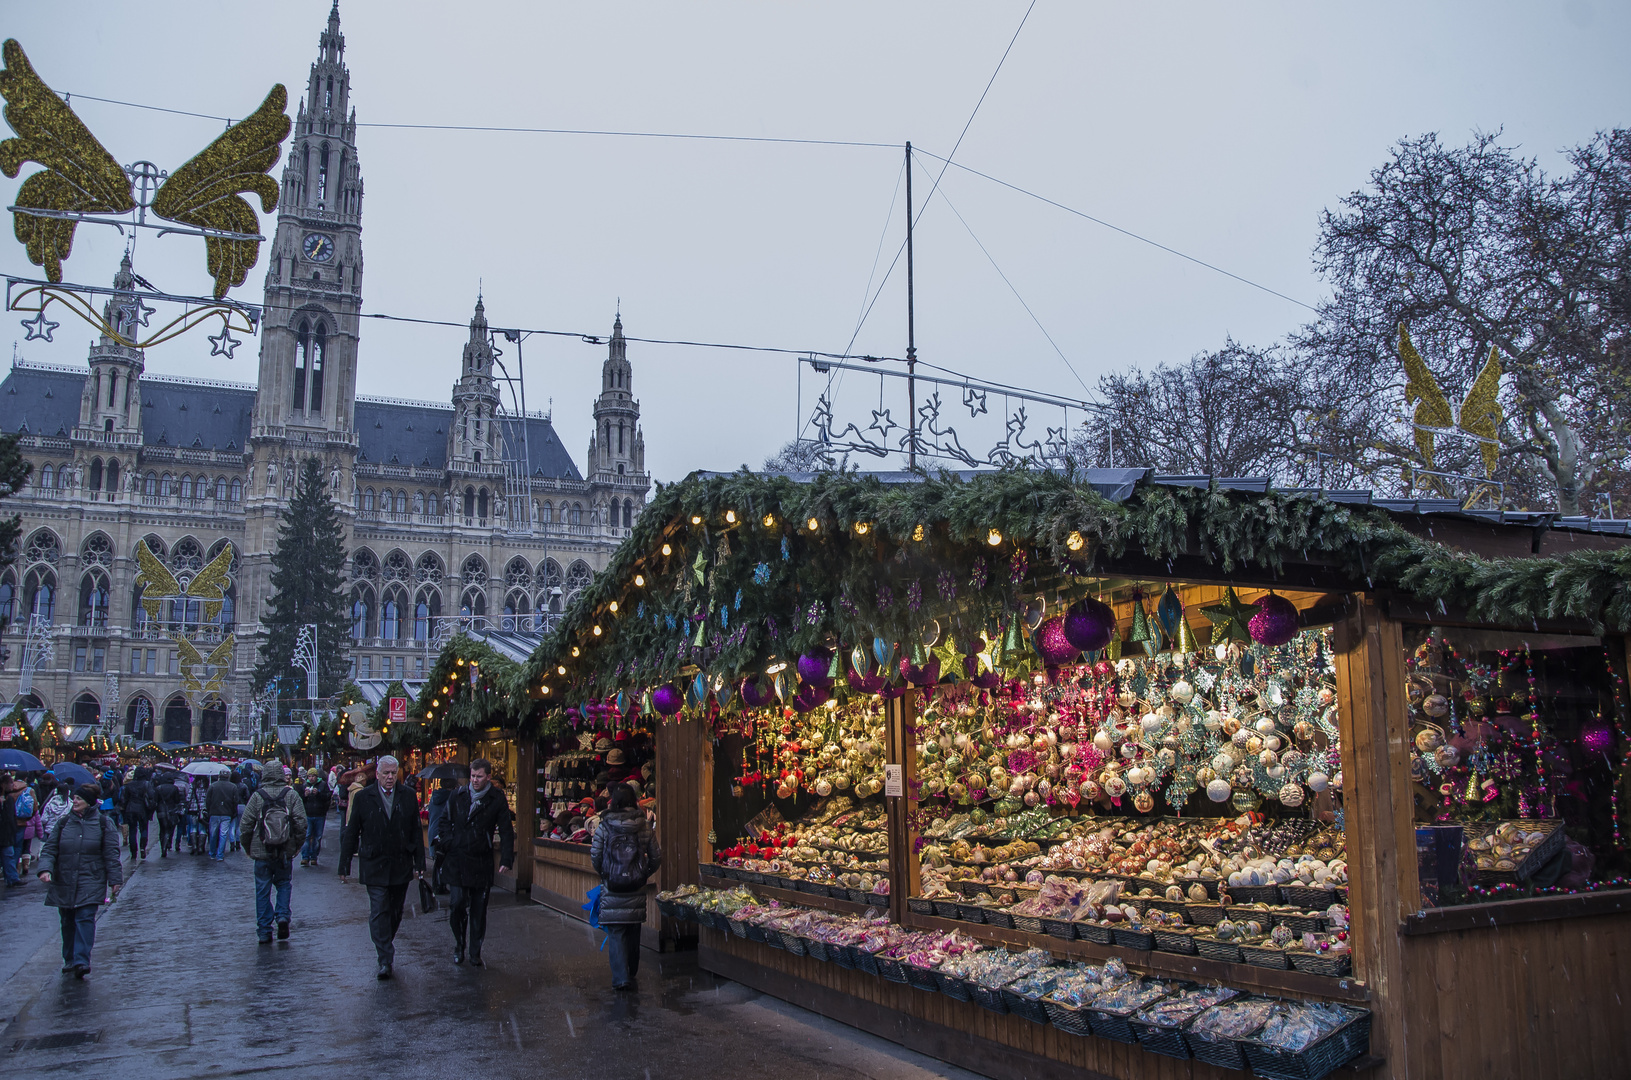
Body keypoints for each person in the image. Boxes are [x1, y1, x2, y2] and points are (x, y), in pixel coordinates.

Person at [338, 755, 424, 979]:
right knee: (378, 911)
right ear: (377, 774)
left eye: (393, 773)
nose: (389, 777)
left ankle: (386, 942)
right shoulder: (364, 797)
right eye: (385, 773)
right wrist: (344, 864)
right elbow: (352, 830)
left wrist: (420, 863)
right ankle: (385, 958)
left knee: (395, 912)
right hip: (374, 863)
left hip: (399, 863)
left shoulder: (407, 796)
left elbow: (415, 830)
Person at [432, 759, 515, 966]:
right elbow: (444, 821)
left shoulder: (496, 798)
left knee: (479, 909)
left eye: (479, 776)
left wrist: (506, 858)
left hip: (480, 858)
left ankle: (475, 951)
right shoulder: (457, 795)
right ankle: (459, 943)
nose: (475, 780)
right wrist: (450, 841)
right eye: (472, 776)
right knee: (457, 904)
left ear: (488, 777)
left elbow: (505, 829)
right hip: (458, 857)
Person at [37, 783, 123, 978]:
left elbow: (111, 853)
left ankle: (81, 960)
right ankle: (69, 958)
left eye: (78, 799)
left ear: (89, 802)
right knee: (67, 920)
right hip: (64, 879)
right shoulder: (63, 823)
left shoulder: (103, 823)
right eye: (74, 798)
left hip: (91, 879)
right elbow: (50, 849)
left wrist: (115, 879)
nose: (74, 801)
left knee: (84, 918)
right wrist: (45, 869)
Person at [589, 782, 661, 991]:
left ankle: (621, 977)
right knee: (633, 927)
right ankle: (631, 970)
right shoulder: (644, 826)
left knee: (616, 931)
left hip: (612, 885)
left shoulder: (604, 826)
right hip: (636, 886)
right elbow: (656, 857)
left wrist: (606, 874)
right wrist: (643, 874)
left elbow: (595, 856)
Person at [240, 763, 307, 944]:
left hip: (262, 852)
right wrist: (296, 846)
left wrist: (248, 847)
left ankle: (264, 930)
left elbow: (245, 825)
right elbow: (301, 823)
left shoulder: (257, 797)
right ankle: (283, 916)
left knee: (262, 890)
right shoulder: (291, 795)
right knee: (284, 884)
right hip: (284, 851)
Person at [426, 777, 456, 894]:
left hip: (433, 830)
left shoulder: (435, 796)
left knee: (438, 861)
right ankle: (440, 885)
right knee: (442, 861)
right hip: (442, 831)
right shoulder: (450, 797)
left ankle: (438, 885)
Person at [120, 766, 156, 860]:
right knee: (144, 829)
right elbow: (151, 796)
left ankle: (133, 852)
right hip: (143, 809)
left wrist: (123, 809)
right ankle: (142, 848)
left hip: (130, 809)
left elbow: (124, 799)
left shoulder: (129, 785)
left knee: (132, 830)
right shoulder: (147, 784)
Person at [297, 769, 331, 866]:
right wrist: (305, 795)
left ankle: (314, 857)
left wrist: (319, 794)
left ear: (317, 777)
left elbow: (328, 797)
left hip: (319, 814)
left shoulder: (323, 785)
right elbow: (300, 800)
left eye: (313, 776)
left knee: (317, 837)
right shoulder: (304, 786)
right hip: (308, 814)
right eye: (309, 776)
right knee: (306, 836)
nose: (311, 778)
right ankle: (305, 857)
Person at [206, 771, 240, 861]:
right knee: (223, 834)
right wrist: (233, 812)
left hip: (214, 812)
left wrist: (209, 810)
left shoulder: (213, 786)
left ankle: (212, 853)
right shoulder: (233, 787)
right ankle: (220, 855)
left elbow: (207, 800)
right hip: (227, 813)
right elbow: (236, 801)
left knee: (213, 834)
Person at [154, 773, 183, 857]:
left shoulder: (158, 788)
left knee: (162, 828)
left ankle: (163, 845)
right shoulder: (174, 788)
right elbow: (177, 800)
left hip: (161, 810)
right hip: (171, 810)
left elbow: (155, 800)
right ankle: (168, 842)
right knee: (170, 828)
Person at [0, 777, 21, 887]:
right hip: (4, 832)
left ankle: (12, 878)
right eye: (10, 783)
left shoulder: (9, 798)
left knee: (9, 855)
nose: (13, 785)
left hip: (7, 833)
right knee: (8, 855)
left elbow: (11, 817)